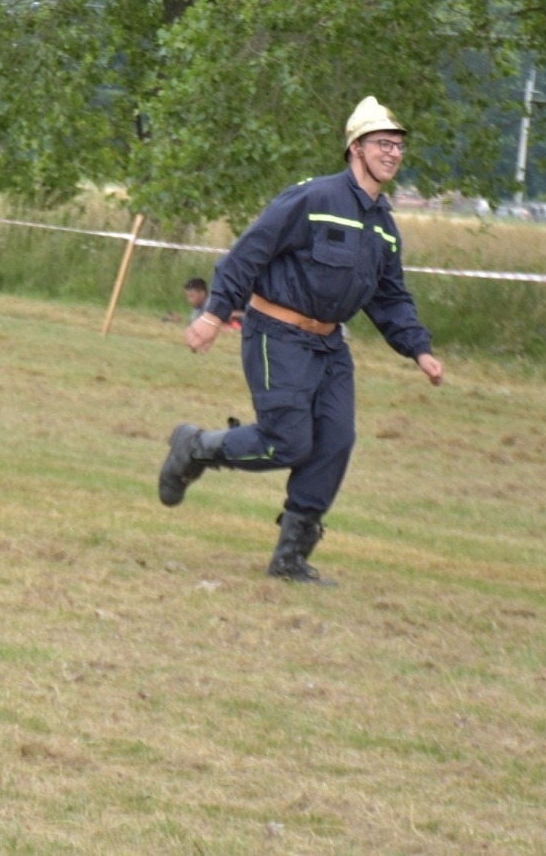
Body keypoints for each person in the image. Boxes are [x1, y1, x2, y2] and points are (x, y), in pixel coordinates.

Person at [156, 96, 445, 584]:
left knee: (335, 442)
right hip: (277, 335)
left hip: (331, 347)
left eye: (398, 146)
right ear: (356, 148)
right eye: (382, 144)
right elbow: (247, 255)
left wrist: (419, 348)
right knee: (287, 442)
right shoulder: (312, 199)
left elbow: (390, 296)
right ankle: (197, 447)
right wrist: (213, 314)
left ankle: (290, 558)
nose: (393, 154)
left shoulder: (384, 227)